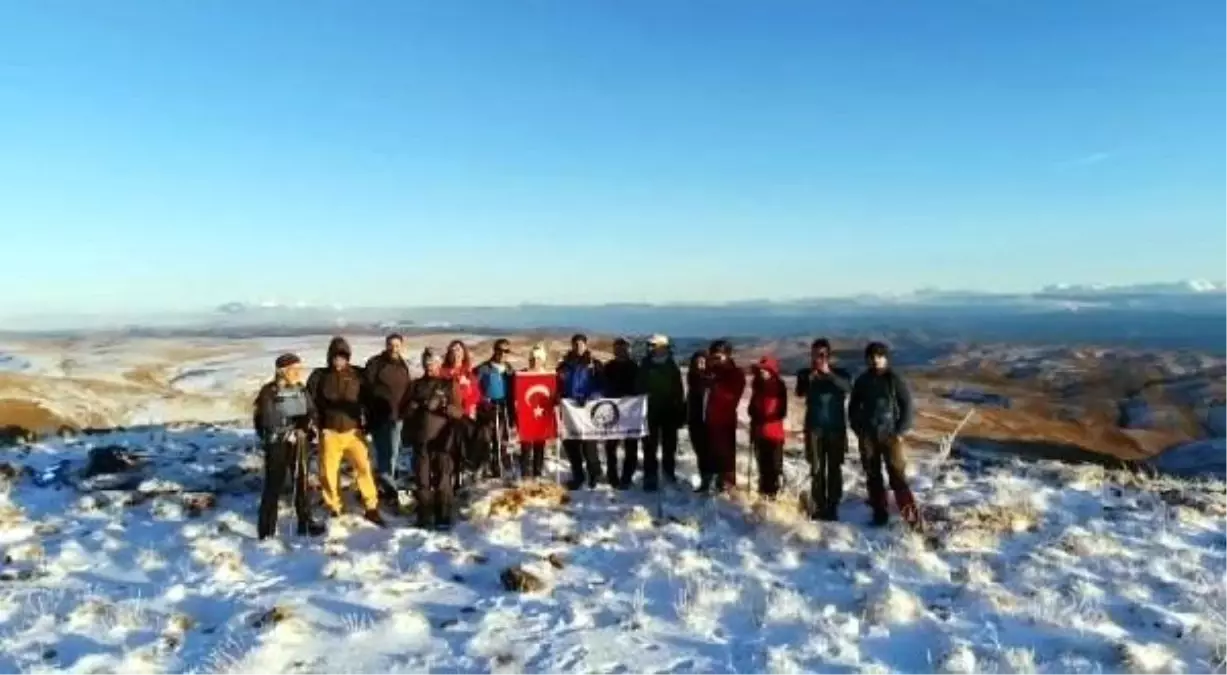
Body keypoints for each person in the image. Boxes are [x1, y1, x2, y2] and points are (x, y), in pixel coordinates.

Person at [306, 337, 384, 527]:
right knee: (328, 473)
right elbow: (310, 402)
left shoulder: (358, 375)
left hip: (353, 432)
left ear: (348, 358)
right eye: (335, 357)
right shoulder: (319, 376)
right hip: (329, 432)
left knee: (364, 469)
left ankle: (371, 507)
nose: (339, 360)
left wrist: (369, 424)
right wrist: (315, 425)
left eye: (343, 357)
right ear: (330, 357)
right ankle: (334, 507)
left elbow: (370, 400)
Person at [253, 353, 325, 540]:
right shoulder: (269, 392)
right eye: (294, 369)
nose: (297, 373)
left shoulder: (301, 389)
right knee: (273, 486)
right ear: (282, 371)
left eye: (299, 369)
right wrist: (289, 431)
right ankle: (266, 530)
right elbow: (268, 420)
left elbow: (311, 410)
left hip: (300, 443)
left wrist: (308, 424)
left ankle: (305, 522)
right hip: (277, 444)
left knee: (302, 483)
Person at [849, 341, 919, 529]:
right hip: (868, 436)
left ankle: (911, 518)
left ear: (886, 358)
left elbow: (907, 406)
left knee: (897, 476)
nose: (875, 360)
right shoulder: (862, 381)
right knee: (873, 476)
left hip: (890, 436)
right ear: (867, 359)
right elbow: (853, 406)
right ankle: (879, 514)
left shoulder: (894, 380)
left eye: (879, 356)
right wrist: (858, 429)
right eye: (872, 357)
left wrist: (900, 432)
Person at [403, 348, 464, 530]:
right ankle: (424, 516)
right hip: (421, 440)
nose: (430, 367)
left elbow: (459, 413)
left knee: (443, 478)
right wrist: (413, 407)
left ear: (439, 365)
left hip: (442, 440)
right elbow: (404, 412)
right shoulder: (415, 385)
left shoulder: (448, 385)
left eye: (433, 364)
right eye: (427, 364)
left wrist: (444, 406)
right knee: (422, 479)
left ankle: (443, 516)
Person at [796, 338, 853, 521]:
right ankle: (819, 504)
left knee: (834, 468)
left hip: (836, 429)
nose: (819, 358)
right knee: (816, 468)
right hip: (814, 429)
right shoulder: (805, 374)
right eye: (816, 354)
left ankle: (833, 505)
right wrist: (809, 379)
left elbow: (847, 388)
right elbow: (800, 393)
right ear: (811, 355)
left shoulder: (841, 373)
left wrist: (829, 374)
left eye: (822, 354)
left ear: (828, 355)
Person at [364, 333, 412, 493]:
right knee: (384, 451)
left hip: (398, 415)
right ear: (386, 345)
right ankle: (387, 485)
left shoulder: (402, 364)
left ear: (401, 346)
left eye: (397, 345)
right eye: (391, 344)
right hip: (379, 415)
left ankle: (388, 483)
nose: (394, 348)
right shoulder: (375, 363)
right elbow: (367, 389)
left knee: (394, 452)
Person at [637, 334, 685, 491]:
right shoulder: (645, 364)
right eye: (649, 345)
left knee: (669, 445)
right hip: (650, 412)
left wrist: (679, 411)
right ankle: (650, 476)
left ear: (662, 347)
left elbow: (679, 390)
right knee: (649, 446)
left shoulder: (672, 366)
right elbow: (639, 385)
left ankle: (668, 473)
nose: (650, 348)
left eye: (653, 345)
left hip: (669, 411)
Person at [557, 333, 604, 489]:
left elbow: (602, 386)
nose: (578, 347)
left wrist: (592, 396)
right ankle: (578, 476)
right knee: (572, 445)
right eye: (575, 344)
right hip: (570, 411)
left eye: (581, 344)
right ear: (572, 346)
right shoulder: (564, 366)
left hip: (587, 409)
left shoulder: (594, 364)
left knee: (589, 444)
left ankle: (594, 475)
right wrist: (560, 397)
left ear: (586, 345)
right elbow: (557, 385)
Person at [704, 340, 746, 493]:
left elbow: (732, 396)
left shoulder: (735, 373)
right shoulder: (712, 372)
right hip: (710, 419)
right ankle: (714, 482)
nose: (715, 361)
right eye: (713, 357)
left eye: (718, 357)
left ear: (727, 356)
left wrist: (714, 384)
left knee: (726, 454)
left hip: (725, 420)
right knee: (712, 453)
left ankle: (727, 485)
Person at [601, 337, 640, 489]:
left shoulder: (634, 367)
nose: (620, 352)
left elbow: (639, 386)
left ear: (628, 350)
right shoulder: (609, 367)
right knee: (611, 447)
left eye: (623, 349)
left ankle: (627, 477)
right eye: (617, 349)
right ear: (614, 351)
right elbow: (603, 385)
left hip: (631, 412)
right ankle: (612, 477)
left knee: (631, 447)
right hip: (613, 411)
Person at [474, 338, 516, 478]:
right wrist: (481, 400)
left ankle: (500, 465)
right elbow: (473, 387)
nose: (503, 353)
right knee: (487, 438)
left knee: (502, 439)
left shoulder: (509, 370)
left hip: (504, 408)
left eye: (506, 351)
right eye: (500, 350)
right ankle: (485, 464)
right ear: (495, 350)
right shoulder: (484, 368)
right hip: (488, 409)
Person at [748, 356, 788, 498]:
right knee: (763, 467)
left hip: (773, 434)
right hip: (760, 433)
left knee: (774, 468)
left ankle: (774, 496)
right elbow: (751, 409)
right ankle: (764, 494)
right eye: (760, 370)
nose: (762, 372)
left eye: (765, 369)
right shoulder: (757, 386)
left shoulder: (779, 386)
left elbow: (782, 411)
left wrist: (763, 418)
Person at [516, 343, 553, 480]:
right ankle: (525, 473)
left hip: (541, 415)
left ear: (542, 360)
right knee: (525, 446)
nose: (534, 361)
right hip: (526, 414)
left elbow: (552, 393)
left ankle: (537, 471)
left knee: (539, 444)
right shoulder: (522, 374)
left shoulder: (548, 376)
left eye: (538, 358)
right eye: (532, 358)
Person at [686, 351, 714, 493]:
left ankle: (712, 482)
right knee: (700, 453)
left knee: (710, 453)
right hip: (694, 421)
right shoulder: (692, 379)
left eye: (703, 362)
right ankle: (705, 481)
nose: (700, 365)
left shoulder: (712, 381)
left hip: (709, 422)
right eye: (697, 363)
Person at [441, 340, 481, 419]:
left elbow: (476, 395)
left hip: (465, 414)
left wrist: (467, 385)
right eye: (453, 351)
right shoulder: (442, 373)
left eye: (458, 350)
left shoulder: (469, 374)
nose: (456, 354)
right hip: (445, 414)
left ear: (463, 355)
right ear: (448, 355)